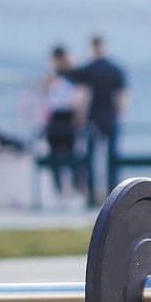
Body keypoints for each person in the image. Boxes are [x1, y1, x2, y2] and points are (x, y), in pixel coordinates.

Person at [64, 34, 129, 205]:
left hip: (93, 118)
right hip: (111, 118)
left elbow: (82, 93)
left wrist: (79, 116)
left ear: (92, 47)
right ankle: (114, 196)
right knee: (112, 159)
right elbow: (122, 97)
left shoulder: (89, 69)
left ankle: (92, 196)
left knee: (90, 159)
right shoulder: (116, 69)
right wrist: (118, 114)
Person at [40, 46, 87, 202]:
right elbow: (46, 93)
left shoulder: (76, 75)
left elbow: (80, 96)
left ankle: (76, 189)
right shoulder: (53, 76)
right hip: (55, 118)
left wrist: (79, 116)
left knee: (73, 156)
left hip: (69, 117)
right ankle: (59, 191)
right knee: (54, 156)